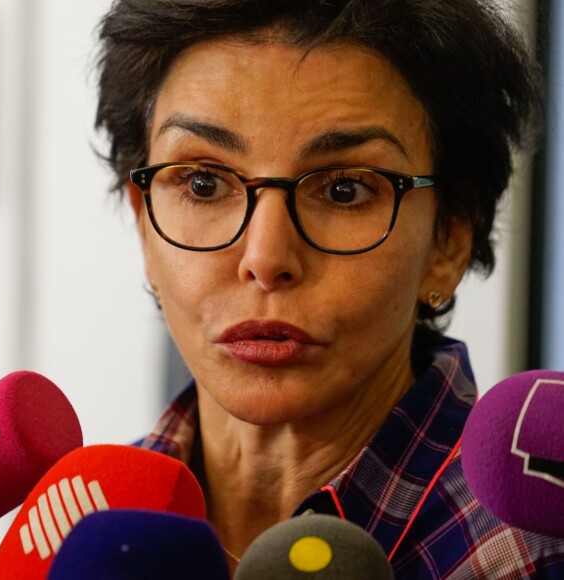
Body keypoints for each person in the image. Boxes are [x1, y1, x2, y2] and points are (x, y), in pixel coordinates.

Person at [94, 0, 564, 577]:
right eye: (203, 182)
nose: (265, 260)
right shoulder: (87, 535)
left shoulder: (531, 549)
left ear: (449, 239)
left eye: (344, 190)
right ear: (144, 223)